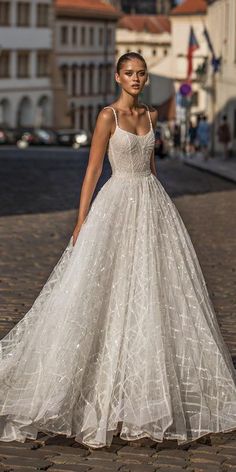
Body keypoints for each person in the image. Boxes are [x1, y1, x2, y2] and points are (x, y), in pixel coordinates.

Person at [1, 52, 236, 449]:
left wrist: (163, 204)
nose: (136, 79)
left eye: (141, 74)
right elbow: (93, 171)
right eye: (129, 73)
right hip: (114, 203)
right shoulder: (107, 116)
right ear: (117, 76)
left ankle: (146, 392)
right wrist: (81, 221)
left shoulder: (151, 115)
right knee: (98, 291)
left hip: (151, 203)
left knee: (152, 294)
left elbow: (151, 167)